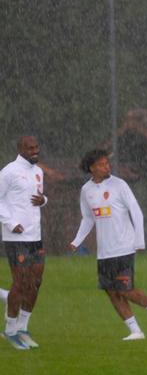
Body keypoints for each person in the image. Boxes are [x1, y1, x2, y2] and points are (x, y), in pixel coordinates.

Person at [69, 149, 147, 341]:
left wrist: (139, 240)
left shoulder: (119, 185)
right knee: (112, 292)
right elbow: (88, 219)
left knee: (125, 289)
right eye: (102, 164)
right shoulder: (86, 191)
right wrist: (76, 240)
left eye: (107, 163)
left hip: (124, 247)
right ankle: (135, 331)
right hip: (104, 252)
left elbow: (136, 211)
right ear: (92, 168)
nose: (107, 167)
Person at [0, 136, 48, 350]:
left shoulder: (38, 172)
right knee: (20, 283)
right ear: (20, 149)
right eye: (30, 148)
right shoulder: (9, 171)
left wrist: (44, 200)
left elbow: (38, 198)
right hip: (16, 237)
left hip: (35, 236)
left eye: (37, 147)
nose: (35, 151)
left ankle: (23, 328)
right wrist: (10, 223)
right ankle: (9, 331)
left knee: (35, 282)